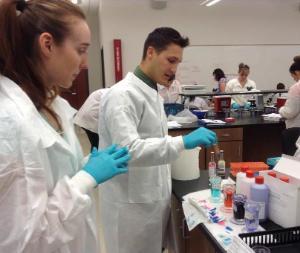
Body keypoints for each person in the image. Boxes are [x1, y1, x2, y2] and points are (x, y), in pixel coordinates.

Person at [0, 1, 130, 252]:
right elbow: (27, 242)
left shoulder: (48, 102)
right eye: (81, 50)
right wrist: (85, 178)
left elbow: (46, 181)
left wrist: (81, 166)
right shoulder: (10, 122)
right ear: (47, 44)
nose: (84, 63)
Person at [98, 27, 217, 253]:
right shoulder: (122, 95)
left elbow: (152, 141)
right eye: (170, 60)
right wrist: (182, 142)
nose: (174, 69)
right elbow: (128, 150)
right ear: (150, 52)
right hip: (130, 206)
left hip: (152, 199)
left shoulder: (151, 91)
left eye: (178, 63)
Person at [279, 59, 300, 128]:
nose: (294, 79)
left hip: (296, 128)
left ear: (297, 72)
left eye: (293, 76)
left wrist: (281, 110)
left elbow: (289, 112)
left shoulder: (296, 87)